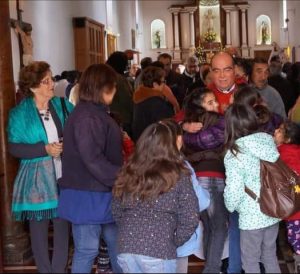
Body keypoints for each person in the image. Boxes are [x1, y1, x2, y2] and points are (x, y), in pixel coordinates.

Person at [7, 61, 73, 273]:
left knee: (63, 227)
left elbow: (77, 130)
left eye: (51, 79)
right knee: (38, 230)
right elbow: (14, 147)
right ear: (34, 86)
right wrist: (44, 149)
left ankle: (59, 270)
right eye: (47, 81)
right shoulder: (19, 114)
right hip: (36, 180)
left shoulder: (62, 105)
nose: (52, 84)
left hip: (64, 175)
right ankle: (45, 270)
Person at [57, 64, 123, 273]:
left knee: (118, 246)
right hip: (88, 193)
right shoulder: (88, 117)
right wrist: (122, 177)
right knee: (87, 249)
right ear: (103, 88)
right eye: (113, 86)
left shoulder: (91, 113)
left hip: (98, 190)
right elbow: (92, 159)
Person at [112, 119, 199, 273]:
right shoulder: (178, 174)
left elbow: (116, 211)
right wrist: (172, 241)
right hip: (159, 249)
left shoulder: (128, 172)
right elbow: (190, 217)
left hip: (126, 247)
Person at [224, 104, 281, 273]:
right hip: (273, 208)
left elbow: (234, 189)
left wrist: (230, 205)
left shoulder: (235, 152)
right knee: (270, 255)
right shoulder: (267, 140)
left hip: (252, 215)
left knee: (250, 261)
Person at [182, 88, 228, 273]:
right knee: (219, 228)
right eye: (210, 102)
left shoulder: (186, 124)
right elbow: (209, 141)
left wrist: (184, 129)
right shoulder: (220, 121)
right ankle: (211, 269)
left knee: (208, 227)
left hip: (196, 177)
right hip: (214, 176)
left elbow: (186, 141)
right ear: (199, 105)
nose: (216, 105)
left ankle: (210, 267)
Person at [273, 121, 300, 271]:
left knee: (296, 240)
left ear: (287, 139)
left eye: (280, 130)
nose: (276, 130)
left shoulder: (282, 154)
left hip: (295, 211)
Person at [132, 66, 174, 141]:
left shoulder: (140, 98)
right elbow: (166, 129)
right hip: (154, 145)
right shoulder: (156, 103)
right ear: (155, 85)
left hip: (142, 143)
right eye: (163, 82)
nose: (164, 84)